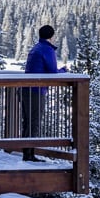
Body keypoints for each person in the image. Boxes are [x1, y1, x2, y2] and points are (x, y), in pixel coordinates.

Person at [21, 24, 67, 161]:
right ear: (52, 36)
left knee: (28, 122)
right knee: (34, 122)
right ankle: (29, 155)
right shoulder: (47, 49)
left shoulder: (36, 48)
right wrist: (64, 70)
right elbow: (53, 72)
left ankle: (27, 153)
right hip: (36, 90)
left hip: (25, 89)